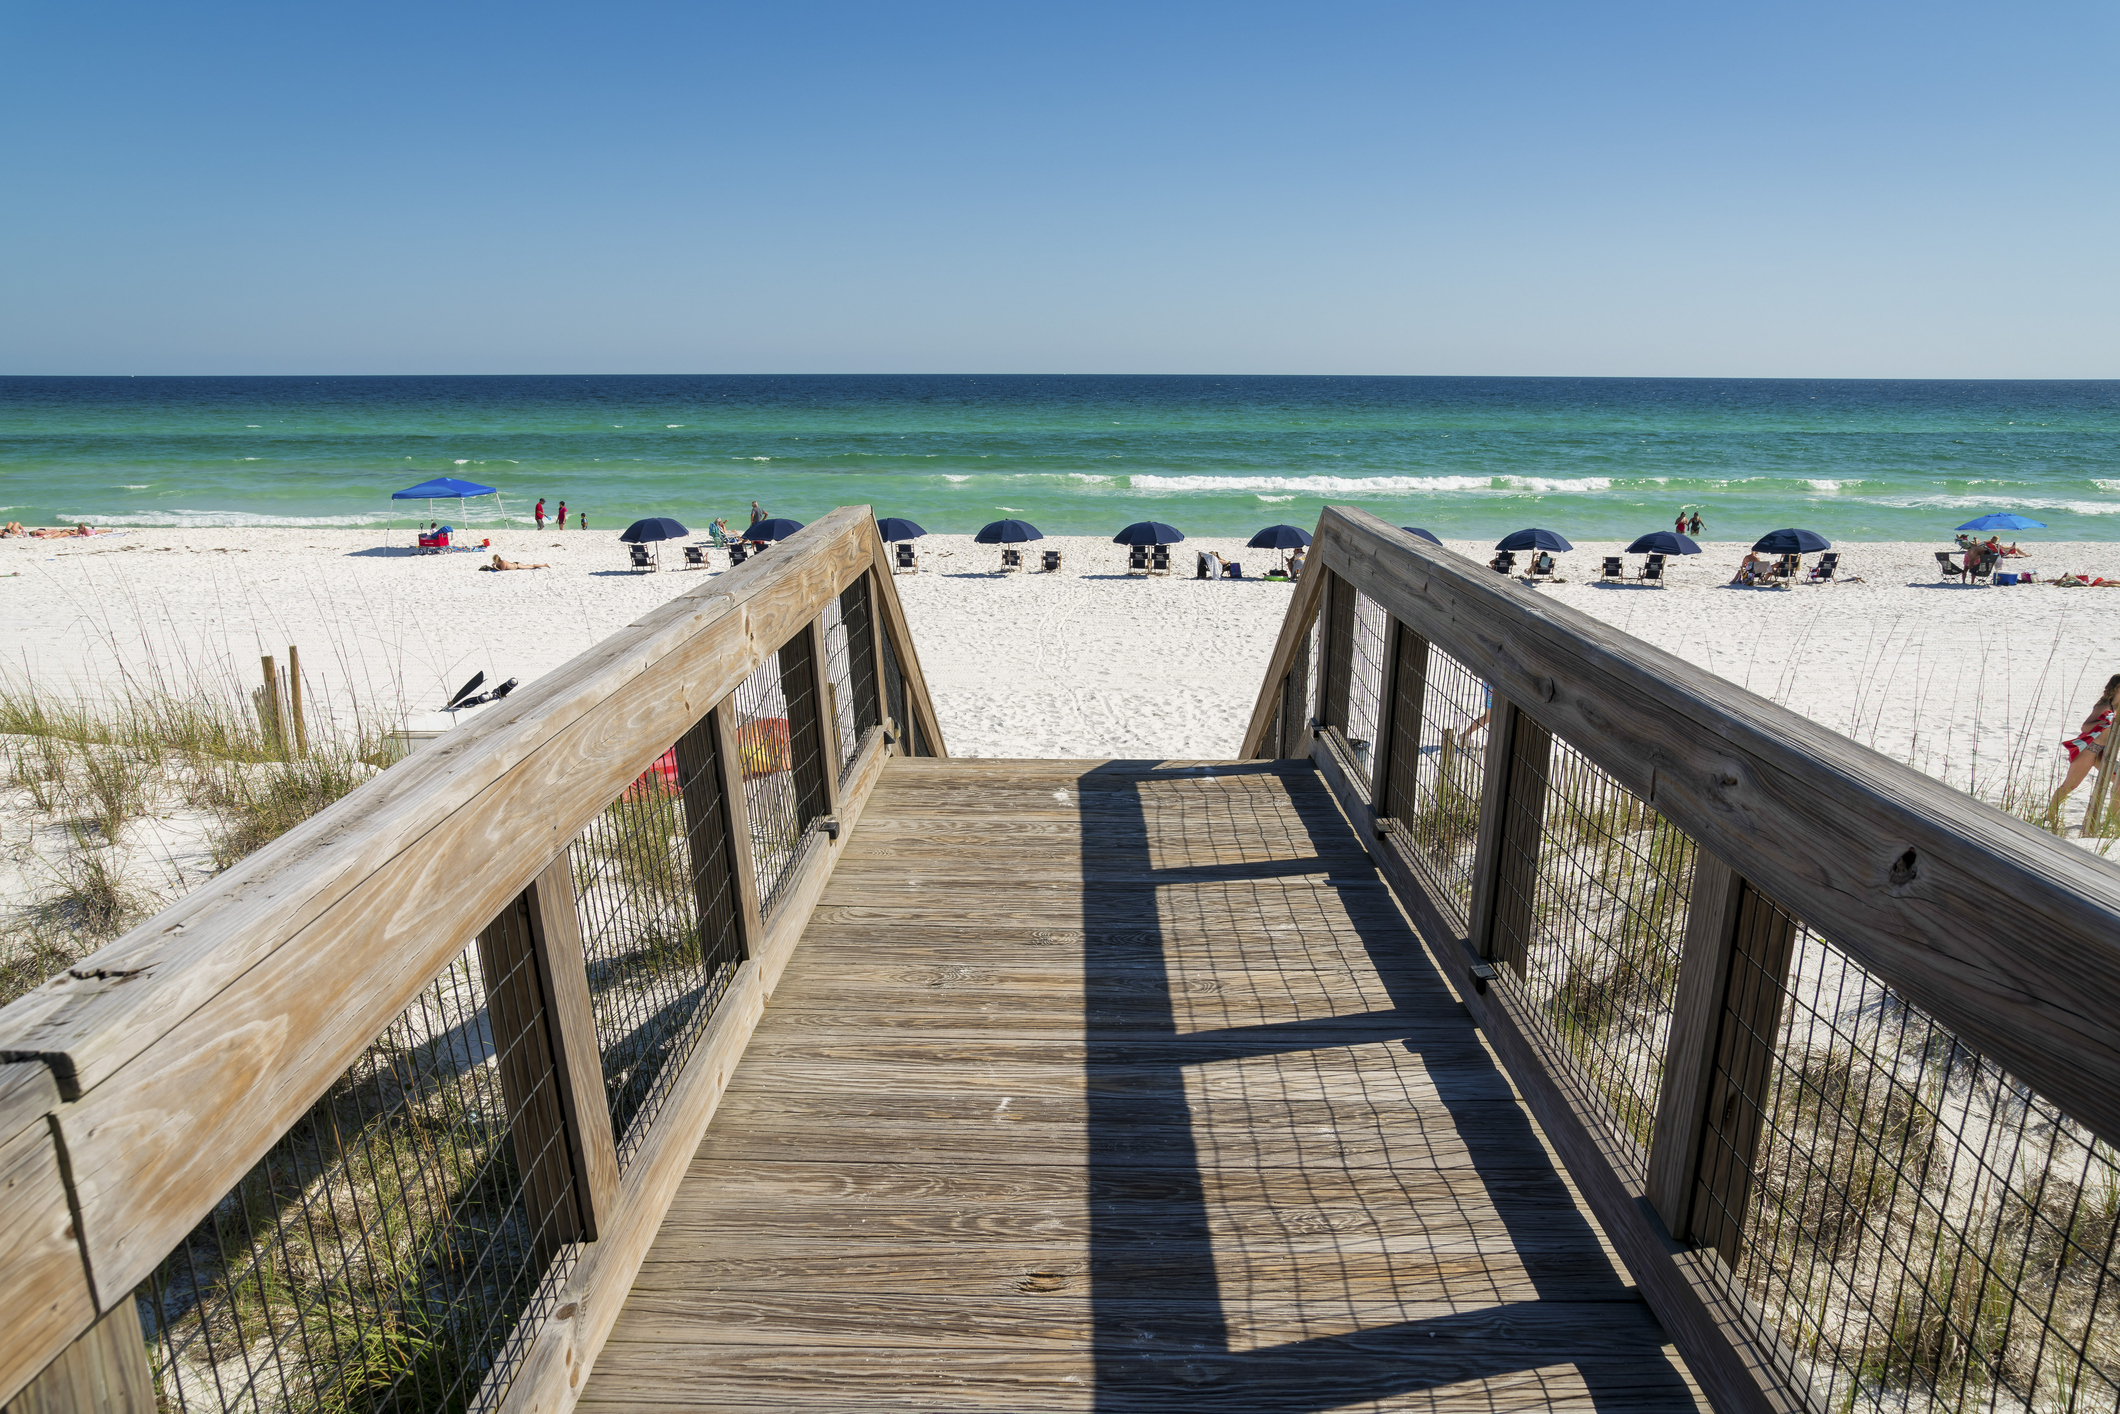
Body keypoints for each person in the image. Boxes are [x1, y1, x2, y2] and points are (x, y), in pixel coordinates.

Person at [2048, 675, 2120, 824]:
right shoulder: (2105, 706)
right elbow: (2085, 727)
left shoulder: (2118, 708)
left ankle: (2110, 821)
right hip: (2090, 749)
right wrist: (2103, 722)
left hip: (2104, 753)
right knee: (2071, 785)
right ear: (2116, 688)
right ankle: (2050, 816)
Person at [486, 555, 551, 571]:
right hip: (515, 564)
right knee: (529, 565)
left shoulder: (503, 562)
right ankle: (544, 564)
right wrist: (494, 567)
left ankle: (544, 565)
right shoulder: (498, 563)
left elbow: (502, 570)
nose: (494, 562)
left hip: (517, 566)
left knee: (532, 566)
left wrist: (495, 567)